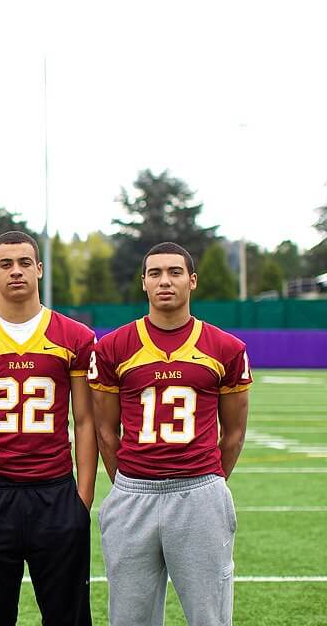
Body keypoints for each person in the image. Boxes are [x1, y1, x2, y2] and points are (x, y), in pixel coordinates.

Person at [89, 241, 251, 626]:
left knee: (209, 617)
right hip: (133, 495)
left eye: (175, 272)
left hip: (200, 495)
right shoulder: (113, 347)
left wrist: (206, 480)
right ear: (143, 282)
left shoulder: (227, 347)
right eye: (155, 273)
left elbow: (234, 433)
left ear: (192, 281)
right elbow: (105, 432)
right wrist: (129, 483)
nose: (165, 281)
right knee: (129, 619)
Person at [0, 231, 97, 625]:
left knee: (69, 616)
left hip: (56, 491)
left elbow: (84, 420)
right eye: (7, 264)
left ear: (39, 269)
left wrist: (82, 498)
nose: (17, 272)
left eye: (25, 263)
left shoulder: (76, 337)